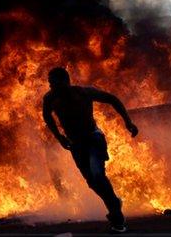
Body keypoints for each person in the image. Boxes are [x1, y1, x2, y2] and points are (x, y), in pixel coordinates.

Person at [42, 67, 138, 234]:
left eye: (54, 83)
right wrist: (59, 137)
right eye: (50, 83)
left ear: (65, 81)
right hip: (76, 144)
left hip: (93, 138)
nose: (51, 86)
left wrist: (128, 122)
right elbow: (47, 117)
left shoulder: (84, 93)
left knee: (98, 174)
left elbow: (112, 99)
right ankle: (114, 202)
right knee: (92, 182)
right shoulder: (50, 98)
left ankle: (117, 217)